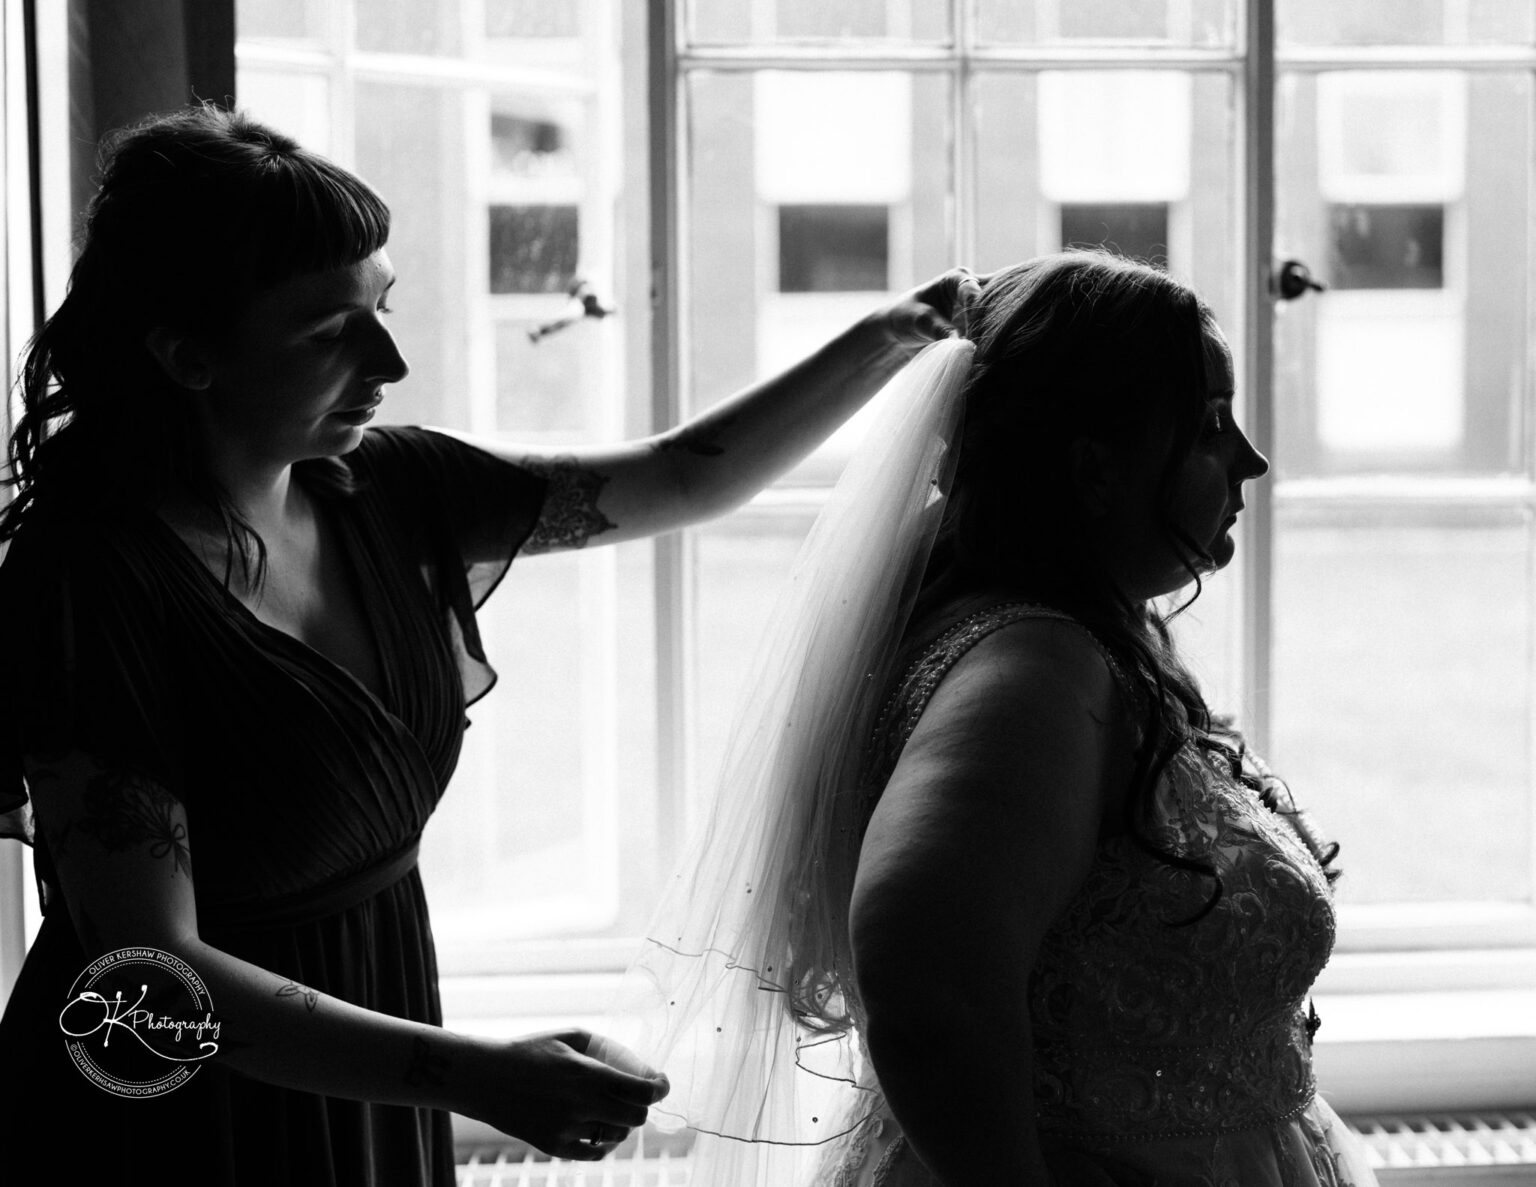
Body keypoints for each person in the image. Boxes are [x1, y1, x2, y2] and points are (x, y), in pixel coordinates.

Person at [0, 104, 976, 1185]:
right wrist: (468, 1074)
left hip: (374, 1034)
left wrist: (897, 334)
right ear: (187, 354)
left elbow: (681, 475)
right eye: (329, 333)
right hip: (179, 1110)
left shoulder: (393, 489)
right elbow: (150, 970)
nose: (391, 359)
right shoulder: (92, 580)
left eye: (383, 307)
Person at [615, 252, 1379, 1185]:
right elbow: (923, 978)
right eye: (1211, 425)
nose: (1251, 458)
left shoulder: (1067, 642)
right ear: (1096, 466)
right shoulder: (1032, 671)